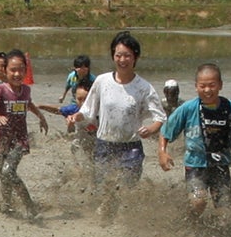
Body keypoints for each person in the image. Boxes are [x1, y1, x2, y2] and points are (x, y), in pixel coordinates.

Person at [68, 30, 167, 223]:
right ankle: (106, 223)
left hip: (131, 147)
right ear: (113, 56)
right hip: (104, 144)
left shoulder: (144, 87)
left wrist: (151, 129)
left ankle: (124, 223)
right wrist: (76, 117)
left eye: (127, 55)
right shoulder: (102, 81)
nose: (122, 60)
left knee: (125, 187)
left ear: (135, 57)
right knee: (106, 189)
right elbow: (88, 111)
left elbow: (160, 117)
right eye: (118, 55)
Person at [157, 62, 231, 221]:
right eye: (203, 86)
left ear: (220, 85)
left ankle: (218, 229)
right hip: (195, 165)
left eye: (212, 85)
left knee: (225, 211)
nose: (207, 90)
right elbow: (166, 131)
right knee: (198, 201)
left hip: (221, 165)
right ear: (196, 86)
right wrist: (162, 152)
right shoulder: (188, 108)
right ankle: (189, 222)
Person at [0, 50, 49, 218]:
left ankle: (30, 206)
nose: (17, 74)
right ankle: (7, 207)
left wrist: (41, 117)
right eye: (13, 70)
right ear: (4, 70)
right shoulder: (0, 89)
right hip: (1, 140)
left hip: (20, 140)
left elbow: (29, 104)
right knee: (4, 176)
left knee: (8, 171)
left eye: (21, 70)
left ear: (26, 70)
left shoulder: (26, 90)